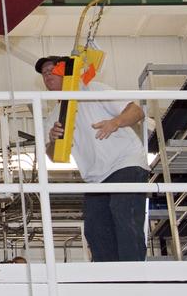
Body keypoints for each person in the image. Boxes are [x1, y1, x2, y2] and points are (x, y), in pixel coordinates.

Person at [37, 55, 148, 262]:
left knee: (123, 215)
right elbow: (53, 157)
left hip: (125, 162)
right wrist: (53, 141)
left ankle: (135, 277)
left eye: (52, 70)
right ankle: (110, 282)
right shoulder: (54, 116)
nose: (47, 75)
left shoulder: (93, 90)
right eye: (44, 73)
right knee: (95, 230)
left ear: (65, 71)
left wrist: (115, 122)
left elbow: (136, 111)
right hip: (96, 178)